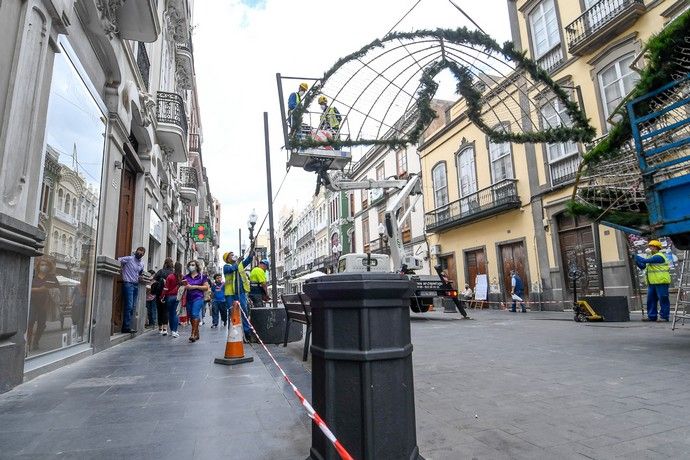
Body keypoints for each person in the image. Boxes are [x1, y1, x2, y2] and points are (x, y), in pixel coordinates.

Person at [28, 256, 59, 351]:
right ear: (38, 266)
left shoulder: (52, 277)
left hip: (45, 304)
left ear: (49, 267)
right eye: (42, 264)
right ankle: (28, 342)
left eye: (46, 265)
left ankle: (36, 341)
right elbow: (42, 288)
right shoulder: (33, 276)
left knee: (41, 324)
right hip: (32, 302)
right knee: (30, 322)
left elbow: (54, 287)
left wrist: (33, 289)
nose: (44, 266)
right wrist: (39, 289)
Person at [635, 239, 671, 322]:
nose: (649, 248)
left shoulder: (659, 256)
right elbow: (643, 266)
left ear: (656, 247)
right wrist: (636, 261)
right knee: (651, 300)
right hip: (652, 282)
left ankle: (664, 316)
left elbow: (644, 261)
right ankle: (652, 316)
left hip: (661, 281)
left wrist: (635, 256)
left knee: (663, 299)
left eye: (651, 246)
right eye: (649, 246)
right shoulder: (650, 256)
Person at [223, 251, 254, 341]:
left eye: (233, 255)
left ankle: (246, 332)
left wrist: (251, 255)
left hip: (240, 292)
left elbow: (246, 262)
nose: (233, 256)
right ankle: (233, 332)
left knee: (244, 311)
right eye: (231, 256)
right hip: (230, 294)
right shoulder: (226, 267)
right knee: (232, 313)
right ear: (227, 259)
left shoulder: (239, 265)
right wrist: (238, 262)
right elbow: (232, 269)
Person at [118, 246, 146, 333]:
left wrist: (141, 277)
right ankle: (125, 327)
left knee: (133, 306)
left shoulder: (142, 264)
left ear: (143, 254)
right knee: (129, 306)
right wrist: (121, 270)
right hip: (128, 284)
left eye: (142, 252)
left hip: (136, 285)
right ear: (136, 251)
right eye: (139, 251)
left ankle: (127, 326)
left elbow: (140, 273)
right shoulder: (129, 259)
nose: (140, 253)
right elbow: (118, 260)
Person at [183, 260, 210, 342]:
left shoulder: (202, 276)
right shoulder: (186, 277)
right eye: (190, 265)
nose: (191, 266)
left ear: (197, 266)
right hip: (188, 298)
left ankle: (193, 334)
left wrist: (194, 286)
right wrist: (184, 286)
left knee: (195, 313)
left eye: (193, 265)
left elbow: (206, 288)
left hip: (198, 297)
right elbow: (183, 287)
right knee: (191, 316)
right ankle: (197, 333)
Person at [162, 262, 183, 338]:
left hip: (169, 297)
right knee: (175, 314)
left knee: (170, 314)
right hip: (177, 297)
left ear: (174, 268)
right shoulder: (181, 277)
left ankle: (172, 330)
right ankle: (175, 330)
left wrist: (162, 296)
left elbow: (166, 288)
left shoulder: (170, 276)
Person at [153, 258, 174, 335]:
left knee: (159, 310)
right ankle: (165, 328)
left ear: (164, 263)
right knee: (166, 310)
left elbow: (154, 279)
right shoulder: (173, 273)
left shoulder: (160, 271)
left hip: (159, 293)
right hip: (168, 294)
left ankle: (160, 328)